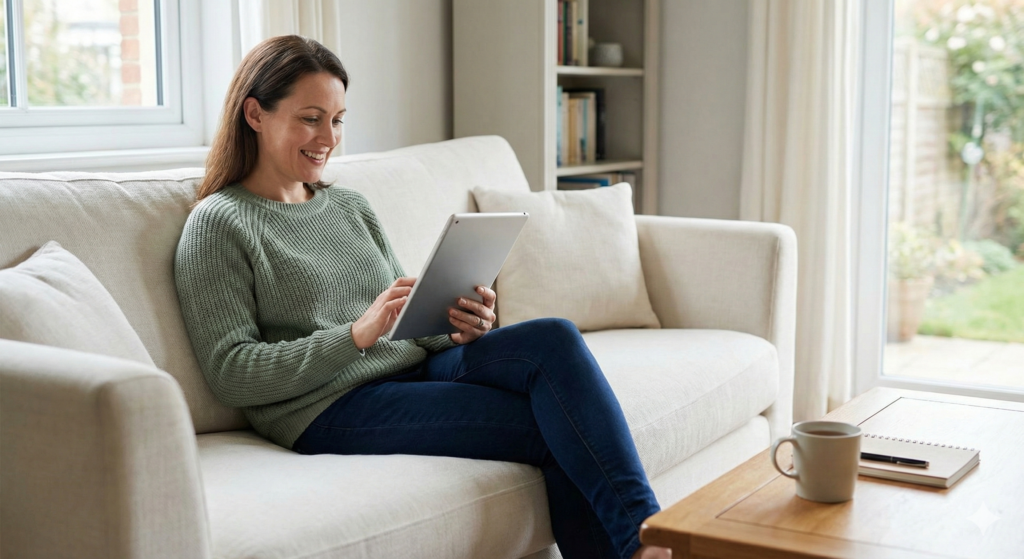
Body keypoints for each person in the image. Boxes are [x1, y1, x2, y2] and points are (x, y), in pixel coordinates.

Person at [174, 35, 671, 559]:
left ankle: (648, 537)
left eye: (338, 120)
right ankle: (650, 545)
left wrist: (458, 322)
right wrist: (353, 337)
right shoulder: (219, 224)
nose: (328, 137)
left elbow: (403, 317)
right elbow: (231, 372)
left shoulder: (347, 206)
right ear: (255, 114)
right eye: (311, 118)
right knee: (553, 424)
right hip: (328, 406)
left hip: (412, 366)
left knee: (553, 338)